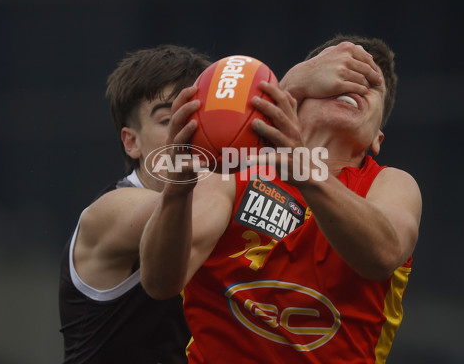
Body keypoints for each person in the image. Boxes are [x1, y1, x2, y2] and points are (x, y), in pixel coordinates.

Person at [139, 35, 422, 363]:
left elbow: (383, 254)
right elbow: (160, 282)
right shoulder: (232, 172)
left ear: (377, 139)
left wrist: (307, 171)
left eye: (371, 84)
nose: (356, 85)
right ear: (297, 104)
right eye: (341, 75)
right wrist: (176, 191)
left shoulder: (390, 183)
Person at [58, 45, 211, 363]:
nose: (188, 130)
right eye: (170, 119)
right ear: (132, 142)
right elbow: (180, 210)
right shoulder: (108, 212)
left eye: (200, 115)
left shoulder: (221, 196)